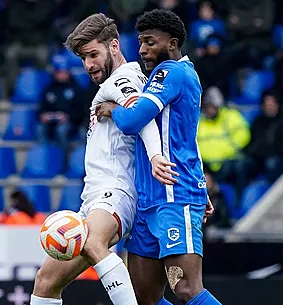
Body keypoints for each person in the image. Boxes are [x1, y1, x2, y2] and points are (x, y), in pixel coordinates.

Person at [30, 13, 170, 305]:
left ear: (115, 46)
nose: (89, 65)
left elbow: (141, 117)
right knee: (45, 282)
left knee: (94, 243)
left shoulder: (122, 79)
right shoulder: (114, 83)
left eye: (94, 54)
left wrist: (155, 156)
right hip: (94, 197)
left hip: (116, 191)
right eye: (83, 58)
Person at [96, 9, 220, 305]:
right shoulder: (170, 76)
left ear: (172, 43)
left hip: (174, 195)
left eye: (150, 42)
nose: (142, 49)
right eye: (140, 42)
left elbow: (131, 120)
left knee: (187, 289)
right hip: (148, 199)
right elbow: (186, 137)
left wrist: (114, 108)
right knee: (143, 297)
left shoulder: (172, 71)